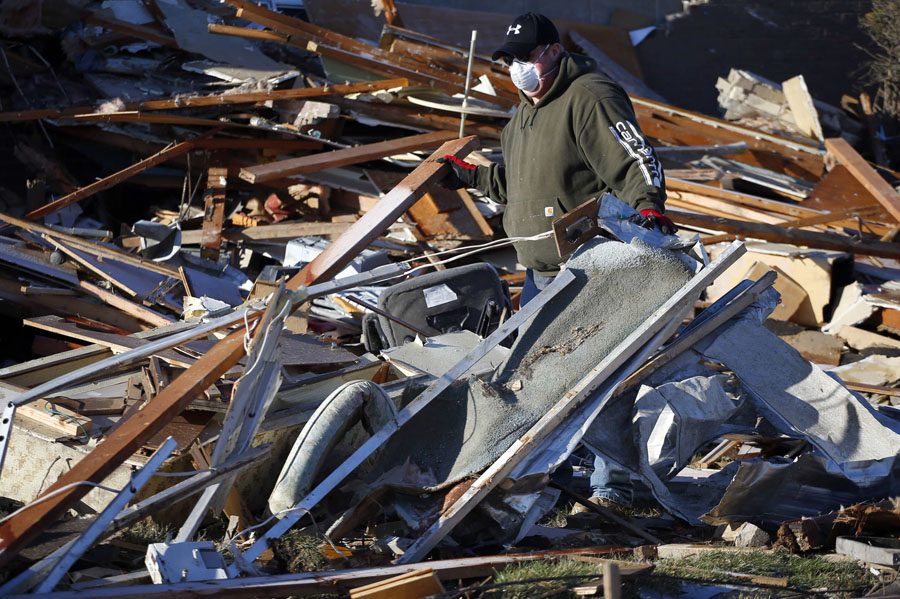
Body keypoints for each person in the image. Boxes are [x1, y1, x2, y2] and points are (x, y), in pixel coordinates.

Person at [438, 12, 675, 513]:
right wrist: (471, 178)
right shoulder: (521, 117)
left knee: (598, 377)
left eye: (525, 57)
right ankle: (553, 475)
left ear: (551, 51)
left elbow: (633, 157)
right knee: (538, 380)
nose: (517, 68)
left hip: (589, 267)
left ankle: (614, 485)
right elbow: (517, 187)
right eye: (509, 61)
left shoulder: (589, 96)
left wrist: (648, 206)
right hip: (539, 273)